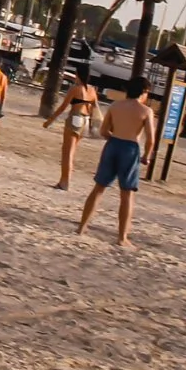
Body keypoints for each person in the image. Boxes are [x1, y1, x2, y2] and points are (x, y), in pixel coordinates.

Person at [78, 79, 156, 247]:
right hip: (130, 148)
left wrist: (114, 139)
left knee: (99, 188)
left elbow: (104, 130)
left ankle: (82, 227)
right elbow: (151, 139)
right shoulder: (146, 111)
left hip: (113, 145)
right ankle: (122, 237)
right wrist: (147, 156)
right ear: (144, 92)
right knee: (127, 193)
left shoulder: (115, 106)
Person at [43, 71, 100, 192]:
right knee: (72, 152)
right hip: (85, 121)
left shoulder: (75, 89)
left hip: (75, 118)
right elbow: (95, 108)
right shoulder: (92, 90)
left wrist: (50, 120)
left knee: (67, 152)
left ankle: (64, 182)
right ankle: (65, 180)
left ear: (78, 76)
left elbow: (63, 107)